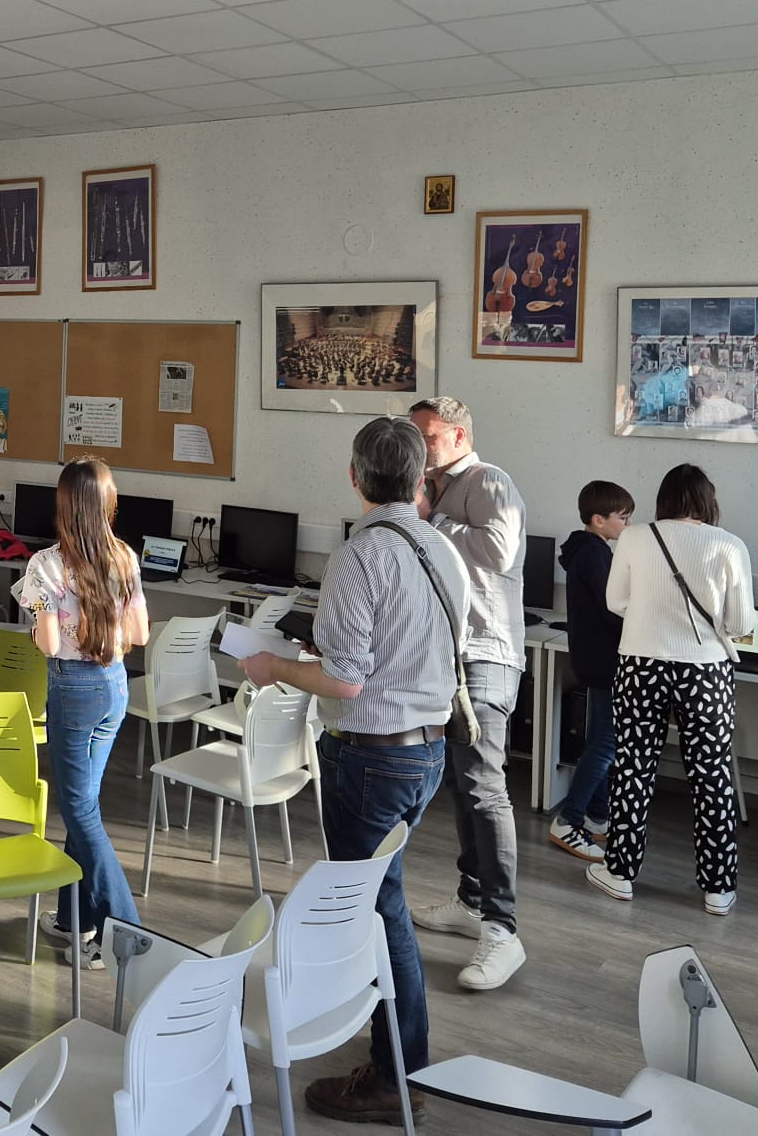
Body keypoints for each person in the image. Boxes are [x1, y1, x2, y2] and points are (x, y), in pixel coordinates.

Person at [236, 416, 462, 1126]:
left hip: (371, 756)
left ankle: (398, 1073)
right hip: (427, 749)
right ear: (420, 478)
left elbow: (346, 682)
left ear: (355, 476)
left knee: (380, 911)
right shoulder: (443, 549)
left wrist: (273, 666)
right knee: (382, 900)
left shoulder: (359, 555)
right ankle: (390, 1051)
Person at [585, 464, 755, 915]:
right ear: (708, 500)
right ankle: (718, 889)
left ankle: (620, 874)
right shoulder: (729, 544)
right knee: (712, 775)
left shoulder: (635, 537)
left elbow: (615, 601)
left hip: (641, 663)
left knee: (633, 768)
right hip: (706, 671)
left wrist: (652, 615)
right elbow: (741, 622)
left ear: (664, 498)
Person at [405, 395, 528, 992]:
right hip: (448, 658)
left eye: (427, 436)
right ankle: (472, 901)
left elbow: (500, 551)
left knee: (484, 787)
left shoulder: (488, 481)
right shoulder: (431, 487)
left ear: (458, 436)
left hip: (486, 655)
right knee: (460, 784)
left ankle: (503, 931)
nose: (419, 446)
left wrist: (431, 520)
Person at [15, 459, 148, 971]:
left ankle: (124, 930)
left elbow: (49, 644)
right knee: (84, 802)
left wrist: (36, 621)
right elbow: (140, 634)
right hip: (115, 685)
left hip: (72, 689)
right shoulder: (125, 557)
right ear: (108, 504)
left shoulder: (46, 565)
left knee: (79, 811)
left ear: (64, 505)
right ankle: (77, 920)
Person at [549, 480, 635, 863]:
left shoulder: (588, 550)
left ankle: (597, 817)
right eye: (623, 518)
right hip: (604, 661)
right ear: (599, 520)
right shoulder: (594, 554)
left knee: (601, 738)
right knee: (607, 742)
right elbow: (612, 608)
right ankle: (568, 820)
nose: (627, 525)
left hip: (593, 658)